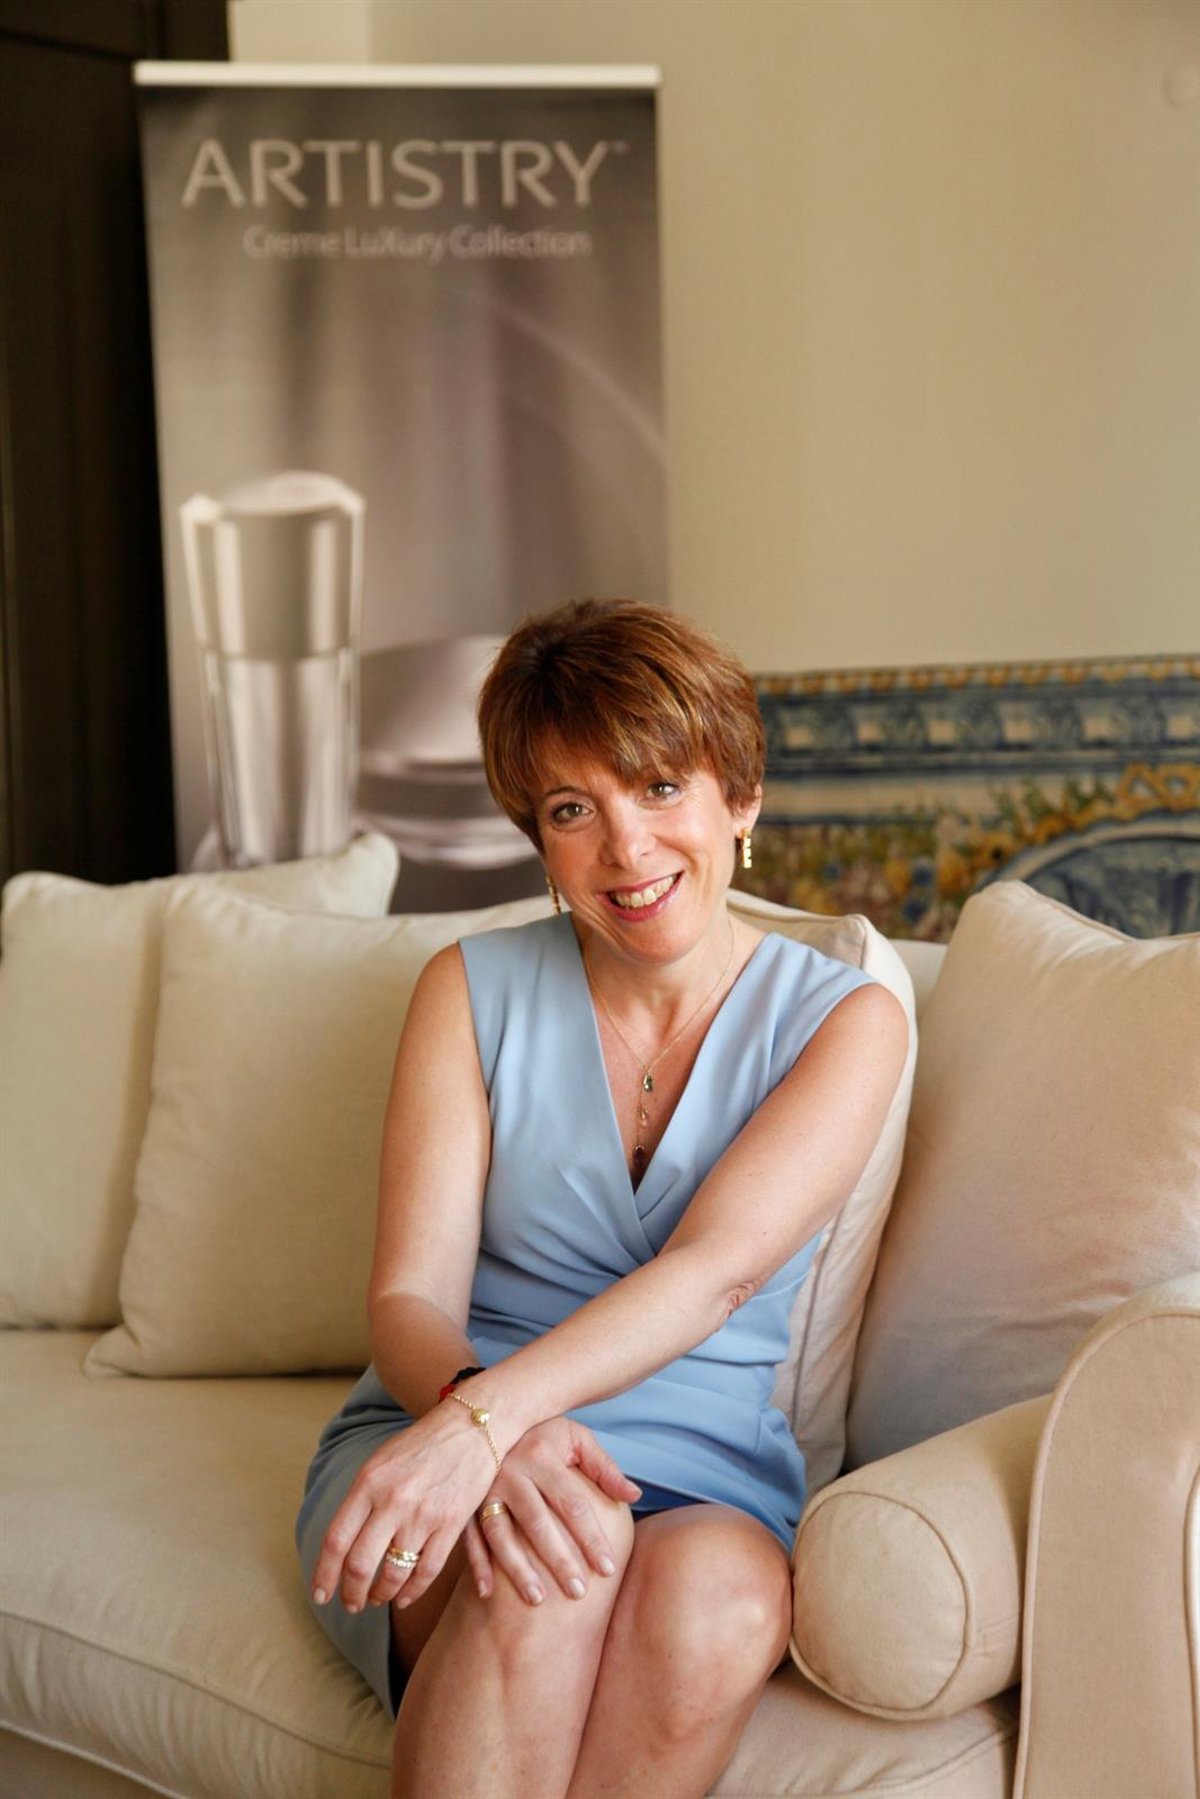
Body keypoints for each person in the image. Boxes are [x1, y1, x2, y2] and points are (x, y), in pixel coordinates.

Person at [297, 598, 907, 1798]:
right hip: (449, 1414)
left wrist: (495, 1419)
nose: (627, 847)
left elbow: (715, 1272)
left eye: (662, 787)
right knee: (551, 1570)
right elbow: (410, 1293)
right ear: (539, 837)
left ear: (740, 800)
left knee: (725, 1603)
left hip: (697, 1458)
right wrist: (480, 1428)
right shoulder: (465, 987)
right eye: (573, 809)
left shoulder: (845, 1020)